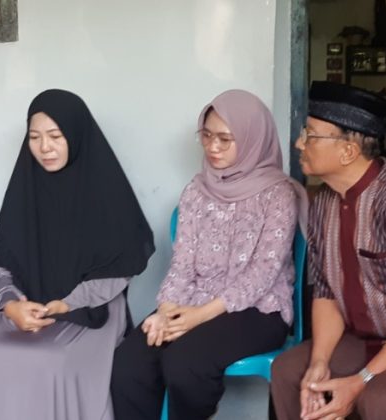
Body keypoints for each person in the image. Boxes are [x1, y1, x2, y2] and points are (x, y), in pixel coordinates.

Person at [0, 89, 155, 420]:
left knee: (51, 359)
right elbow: (3, 263)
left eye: (55, 136)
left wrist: (66, 304)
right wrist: (11, 304)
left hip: (91, 309)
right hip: (25, 306)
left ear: (76, 136)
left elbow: (120, 268)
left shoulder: (106, 192)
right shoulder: (25, 190)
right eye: (34, 137)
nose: (44, 147)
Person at [110, 89, 306, 420]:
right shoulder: (197, 191)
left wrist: (198, 317)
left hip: (258, 310)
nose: (213, 147)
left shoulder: (278, 194)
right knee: (128, 365)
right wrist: (166, 312)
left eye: (225, 139)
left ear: (252, 139)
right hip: (193, 303)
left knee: (185, 363)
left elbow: (262, 274)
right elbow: (182, 266)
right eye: (207, 135)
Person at [270, 81, 386, 420]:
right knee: (291, 371)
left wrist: (362, 380)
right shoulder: (324, 201)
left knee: (381, 396)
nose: (299, 143)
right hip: (366, 337)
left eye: (310, 135)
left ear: (348, 151)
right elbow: (326, 292)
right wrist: (319, 362)